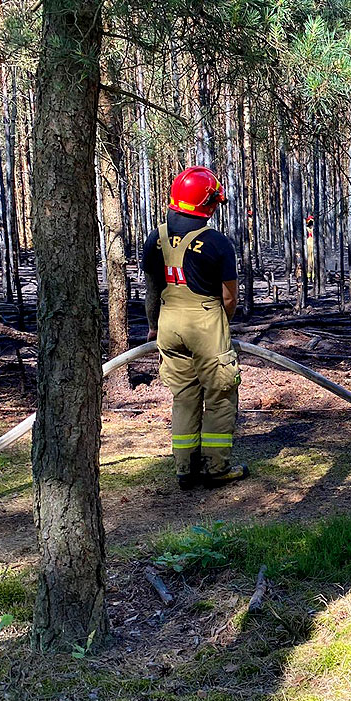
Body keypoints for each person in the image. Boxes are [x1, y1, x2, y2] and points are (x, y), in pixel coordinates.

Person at [142, 166, 248, 490]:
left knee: (184, 395)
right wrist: (219, 328)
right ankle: (216, 468)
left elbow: (151, 289)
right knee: (220, 393)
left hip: (168, 323)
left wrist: (152, 326)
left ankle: (185, 469)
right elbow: (229, 297)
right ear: (209, 205)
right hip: (205, 323)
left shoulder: (155, 238)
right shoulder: (217, 243)